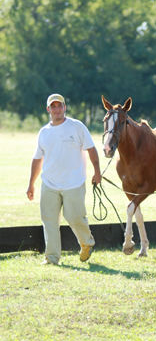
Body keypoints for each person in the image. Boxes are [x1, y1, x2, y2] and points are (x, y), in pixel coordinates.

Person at [26, 93, 101, 265]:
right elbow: (37, 159)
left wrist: (97, 172)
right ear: (48, 109)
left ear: (64, 107)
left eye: (60, 105)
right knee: (49, 221)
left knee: (74, 217)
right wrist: (31, 184)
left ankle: (87, 243)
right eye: (53, 106)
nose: (57, 109)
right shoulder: (44, 132)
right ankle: (52, 258)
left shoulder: (76, 126)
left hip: (74, 183)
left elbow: (91, 149)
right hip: (49, 184)